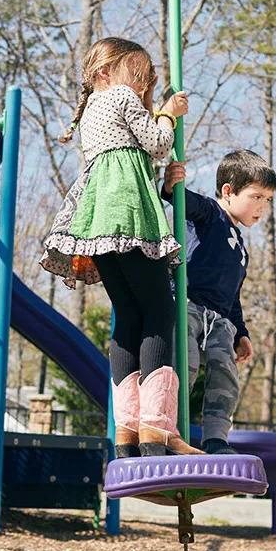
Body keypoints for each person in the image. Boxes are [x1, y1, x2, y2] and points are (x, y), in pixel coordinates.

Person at [41, 37, 197, 457]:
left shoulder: (94, 110)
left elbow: (136, 156)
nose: (142, 83)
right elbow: (157, 143)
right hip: (127, 213)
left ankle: (127, 434)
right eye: (138, 73)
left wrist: (165, 183)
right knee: (159, 312)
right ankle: (157, 430)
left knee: (130, 316)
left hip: (98, 221)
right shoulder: (120, 96)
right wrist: (167, 114)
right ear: (104, 73)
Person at [162, 150, 276, 454]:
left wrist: (242, 332)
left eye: (268, 200)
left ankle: (216, 438)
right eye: (257, 197)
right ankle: (168, 431)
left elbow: (233, 295)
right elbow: (183, 202)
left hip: (221, 320)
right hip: (187, 303)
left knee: (225, 374)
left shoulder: (241, 248)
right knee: (184, 363)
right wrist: (171, 187)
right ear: (228, 191)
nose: (263, 207)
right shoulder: (210, 213)